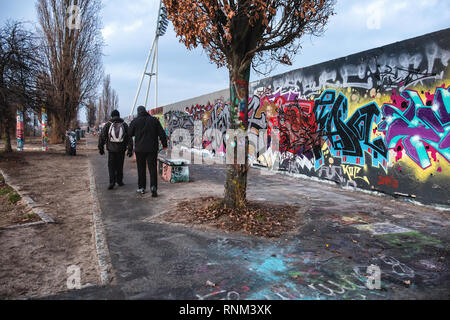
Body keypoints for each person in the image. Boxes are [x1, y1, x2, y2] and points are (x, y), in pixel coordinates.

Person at [129, 106, 168, 197]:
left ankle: (142, 188)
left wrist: (130, 147)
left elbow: (129, 134)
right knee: (152, 168)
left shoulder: (135, 121)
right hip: (152, 149)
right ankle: (153, 187)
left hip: (139, 149)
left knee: (141, 168)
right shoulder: (154, 120)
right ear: (145, 111)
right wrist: (165, 145)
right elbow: (161, 133)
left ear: (138, 112)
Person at [99, 110, 133, 190]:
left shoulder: (108, 124)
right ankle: (120, 181)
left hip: (111, 150)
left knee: (111, 166)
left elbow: (102, 136)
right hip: (121, 149)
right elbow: (129, 138)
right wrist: (130, 149)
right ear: (119, 115)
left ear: (112, 116)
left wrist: (101, 148)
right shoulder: (124, 124)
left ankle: (112, 182)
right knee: (120, 166)